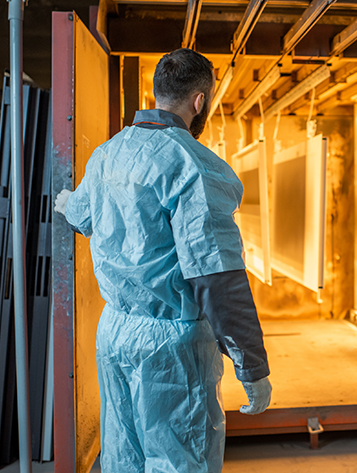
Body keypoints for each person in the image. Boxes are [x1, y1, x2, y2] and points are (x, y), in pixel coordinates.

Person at [54, 48, 271, 473]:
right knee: (179, 462)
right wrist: (252, 367)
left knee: (123, 457)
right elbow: (217, 277)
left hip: (114, 333)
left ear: (155, 94)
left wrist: (66, 204)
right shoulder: (195, 166)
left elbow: (83, 216)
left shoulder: (107, 154)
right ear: (200, 102)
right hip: (171, 347)